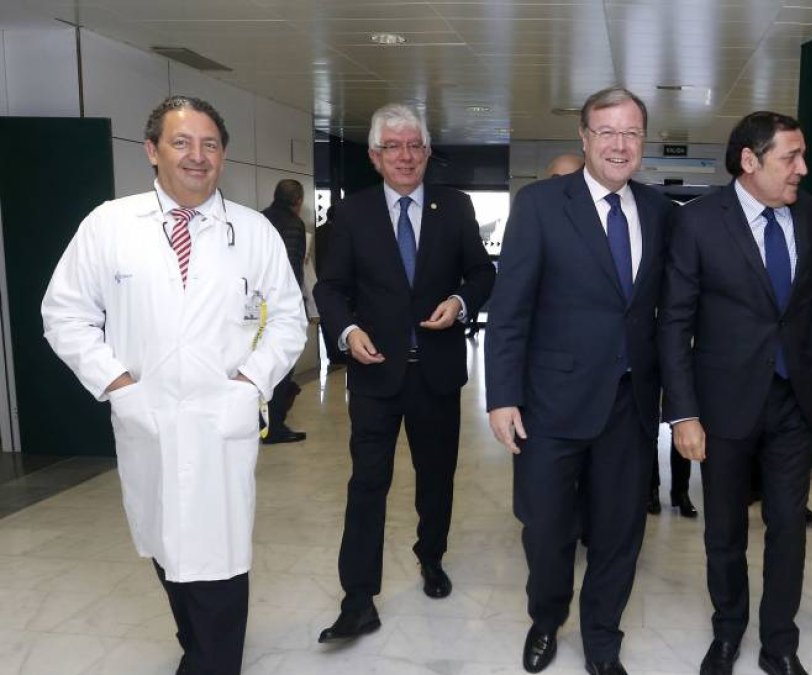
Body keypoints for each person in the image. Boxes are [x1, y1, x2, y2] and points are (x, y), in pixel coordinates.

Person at [41, 94, 307, 675]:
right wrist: (116, 382)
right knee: (167, 545)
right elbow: (64, 312)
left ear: (223, 156)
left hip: (222, 416)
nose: (197, 156)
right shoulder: (109, 225)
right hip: (148, 415)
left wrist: (250, 381)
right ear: (152, 151)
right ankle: (197, 643)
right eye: (181, 142)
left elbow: (288, 319)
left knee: (219, 554)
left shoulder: (254, 231)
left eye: (210, 144)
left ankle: (211, 663)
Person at [486, 87, 672, 675]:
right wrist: (502, 397)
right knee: (545, 529)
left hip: (631, 403)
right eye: (608, 132)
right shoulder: (542, 204)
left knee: (620, 533)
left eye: (632, 133)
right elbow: (510, 309)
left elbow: (668, 311)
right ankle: (546, 618)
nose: (621, 144)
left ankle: (602, 639)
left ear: (644, 142)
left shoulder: (661, 212)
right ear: (585, 139)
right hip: (551, 403)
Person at [659, 110, 812, 675]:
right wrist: (683, 413)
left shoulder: (810, 214)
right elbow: (675, 323)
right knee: (725, 531)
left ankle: (779, 643)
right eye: (790, 157)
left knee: (789, 525)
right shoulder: (698, 222)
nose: (802, 169)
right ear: (749, 160)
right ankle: (727, 631)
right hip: (723, 405)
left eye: (802, 155)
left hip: (793, 400)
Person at [312, 103, 495, 643]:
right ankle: (357, 598)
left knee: (435, 479)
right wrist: (346, 332)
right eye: (393, 147)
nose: (406, 156)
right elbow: (330, 287)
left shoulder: (455, 206)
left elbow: (482, 271)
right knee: (367, 483)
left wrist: (461, 302)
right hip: (375, 375)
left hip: (436, 373)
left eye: (414, 145)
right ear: (374, 156)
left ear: (427, 151)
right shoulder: (353, 213)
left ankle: (431, 557)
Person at [260, 178, 309, 444]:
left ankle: (259, 422)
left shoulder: (260, 219)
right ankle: (273, 427)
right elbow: (292, 267)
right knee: (282, 367)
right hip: (281, 305)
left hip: (256, 305)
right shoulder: (294, 224)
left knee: (259, 363)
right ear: (298, 201)